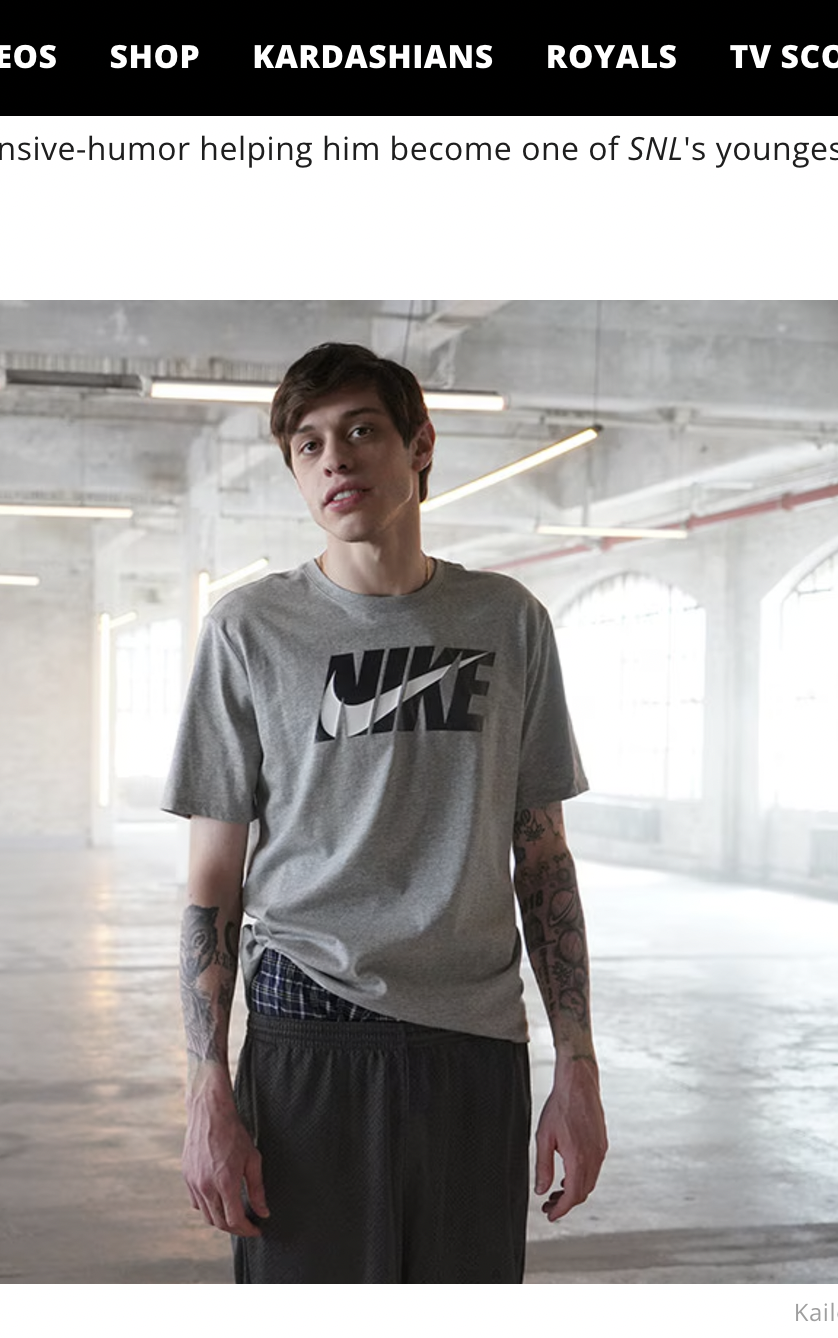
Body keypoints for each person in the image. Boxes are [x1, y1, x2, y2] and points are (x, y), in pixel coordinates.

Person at [163, 342, 606, 1283]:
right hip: (306, 1031)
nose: (336, 460)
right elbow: (212, 882)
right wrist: (206, 1090)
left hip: (473, 1042)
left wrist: (578, 1064)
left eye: (362, 431)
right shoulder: (251, 630)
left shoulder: (508, 621)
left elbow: (544, 859)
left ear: (419, 447)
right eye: (309, 446)